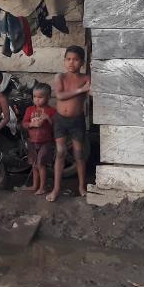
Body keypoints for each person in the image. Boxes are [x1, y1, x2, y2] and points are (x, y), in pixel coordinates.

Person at [48, 45, 91, 201]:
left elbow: (92, 91)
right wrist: (81, 90)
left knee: (79, 154)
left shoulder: (86, 78)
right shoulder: (60, 77)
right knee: (60, 153)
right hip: (60, 120)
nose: (71, 63)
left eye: (76, 60)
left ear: (82, 62)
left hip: (77, 121)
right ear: (64, 61)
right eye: (68, 59)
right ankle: (56, 189)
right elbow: (60, 96)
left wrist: (89, 89)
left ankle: (81, 187)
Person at [20, 83, 57, 196]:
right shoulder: (30, 109)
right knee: (34, 164)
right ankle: (35, 185)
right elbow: (24, 124)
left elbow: (56, 126)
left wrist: (48, 119)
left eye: (40, 97)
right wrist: (32, 124)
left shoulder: (51, 111)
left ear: (48, 97)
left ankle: (42, 187)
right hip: (32, 141)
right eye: (35, 97)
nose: (37, 100)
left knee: (41, 164)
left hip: (46, 142)